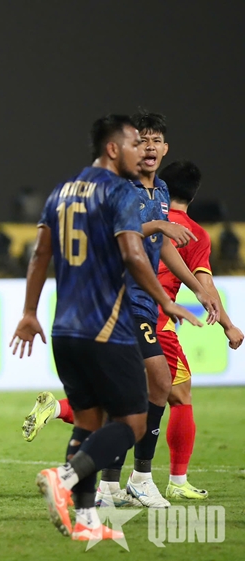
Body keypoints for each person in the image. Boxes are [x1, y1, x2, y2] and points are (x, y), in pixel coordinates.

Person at [10, 115, 201, 541]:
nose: (141, 150)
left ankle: (86, 521)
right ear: (113, 149)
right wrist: (166, 300)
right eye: (134, 143)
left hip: (64, 328)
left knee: (87, 423)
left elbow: (40, 255)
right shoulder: (118, 191)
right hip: (107, 325)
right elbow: (133, 254)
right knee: (132, 423)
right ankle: (65, 477)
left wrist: (28, 312)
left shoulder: (61, 191)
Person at [155, 161, 244, 499]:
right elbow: (205, 287)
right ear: (194, 195)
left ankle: (58, 408)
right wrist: (228, 325)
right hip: (156, 320)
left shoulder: (145, 220)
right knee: (181, 397)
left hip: (118, 314)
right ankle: (177, 483)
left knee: (125, 397)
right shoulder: (194, 233)